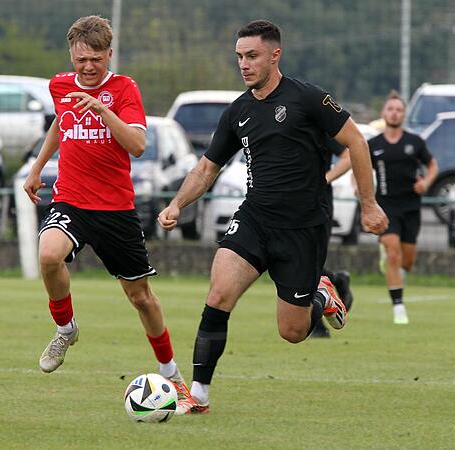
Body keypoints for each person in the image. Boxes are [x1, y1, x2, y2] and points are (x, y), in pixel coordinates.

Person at [158, 20, 388, 414]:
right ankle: (198, 394)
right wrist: (178, 204)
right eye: (239, 58)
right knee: (218, 295)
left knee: (293, 332)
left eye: (252, 56)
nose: (244, 65)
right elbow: (206, 169)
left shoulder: (307, 98)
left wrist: (368, 203)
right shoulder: (238, 112)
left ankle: (322, 293)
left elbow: (357, 141)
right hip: (255, 219)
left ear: (275, 55)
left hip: (303, 228)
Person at [22, 15, 192, 400]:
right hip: (72, 199)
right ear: (72, 55)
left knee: (141, 298)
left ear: (109, 55)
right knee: (49, 255)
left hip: (115, 209)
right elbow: (60, 125)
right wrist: (36, 168)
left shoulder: (124, 89)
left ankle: (173, 375)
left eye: (95, 59)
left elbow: (137, 145)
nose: (87, 67)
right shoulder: (60, 85)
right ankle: (65, 329)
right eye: (81, 60)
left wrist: (101, 109)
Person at [368, 91, 437, 325]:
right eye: (390, 109)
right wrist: (360, 189)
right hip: (385, 207)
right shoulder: (373, 144)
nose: (394, 113)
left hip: (411, 207)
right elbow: (360, 168)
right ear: (383, 113)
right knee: (393, 252)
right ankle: (398, 307)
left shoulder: (414, 142)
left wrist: (426, 182)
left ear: (404, 114)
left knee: (406, 261)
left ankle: (389, 263)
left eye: (398, 109)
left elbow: (432, 165)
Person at [310, 137, 355, 338]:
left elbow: (348, 155)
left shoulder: (320, 126)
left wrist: (324, 179)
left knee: (311, 263)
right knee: (290, 260)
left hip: (317, 204)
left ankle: (317, 325)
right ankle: (337, 280)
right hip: (287, 204)